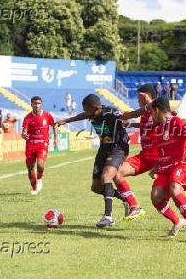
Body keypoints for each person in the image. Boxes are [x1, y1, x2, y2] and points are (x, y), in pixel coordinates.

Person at [57, 94, 142, 227]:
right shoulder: (92, 113)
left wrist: (135, 123)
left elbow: (128, 117)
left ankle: (108, 217)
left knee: (106, 177)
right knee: (96, 187)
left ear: (96, 108)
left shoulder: (111, 113)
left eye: (87, 110)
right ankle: (124, 198)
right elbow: (82, 115)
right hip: (104, 148)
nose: (86, 113)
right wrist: (66, 120)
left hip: (118, 148)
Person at [149, 97, 186, 238]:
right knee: (156, 197)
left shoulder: (178, 122)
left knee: (175, 188)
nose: (151, 116)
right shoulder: (158, 130)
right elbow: (163, 151)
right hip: (165, 168)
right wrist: (156, 167)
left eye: (152, 112)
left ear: (157, 110)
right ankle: (177, 221)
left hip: (181, 163)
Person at [112, 85, 158, 221]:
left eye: (139, 97)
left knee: (166, 194)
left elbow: (133, 114)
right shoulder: (145, 112)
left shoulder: (156, 107)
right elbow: (146, 125)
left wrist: (122, 115)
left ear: (145, 95)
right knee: (117, 172)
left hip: (161, 157)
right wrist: (131, 125)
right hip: (145, 156)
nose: (137, 101)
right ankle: (134, 206)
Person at [22, 96, 57, 195]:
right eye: (35, 103)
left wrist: (55, 139)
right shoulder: (27, 117)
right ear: (31, 104)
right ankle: (34, 188)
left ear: (41, 104)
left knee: (40, 164)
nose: (37, 105)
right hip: (30, 145)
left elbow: (54, 126)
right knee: (30, 168)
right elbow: (24, 132)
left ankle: (40, 178)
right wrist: (24, 135)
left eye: (38, 103)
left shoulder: (47, 115)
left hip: (42, 144)